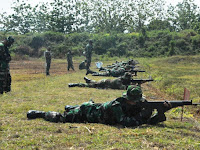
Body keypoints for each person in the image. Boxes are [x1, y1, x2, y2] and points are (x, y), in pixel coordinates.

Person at [27, 85, 171, 126]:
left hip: (96, 107)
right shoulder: (116, 106)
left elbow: (143, 118)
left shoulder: (135, 103)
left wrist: (161, 111)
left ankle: (71, 107)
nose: (138, 103)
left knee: (87, 106)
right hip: (90, 114)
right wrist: (145, 114)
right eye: (136, 101)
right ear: (128, 99)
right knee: (62, 118)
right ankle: (40, 113)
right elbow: (126, 122)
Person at [68, 72, 132, 90]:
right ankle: (75, 84)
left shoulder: (121, 79)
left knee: (95, 82)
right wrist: (132, 86)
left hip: (105, 81)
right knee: (90, 86)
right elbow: (122, 87)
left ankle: (89, 80)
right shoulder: (119, 81)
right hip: (103, 83)